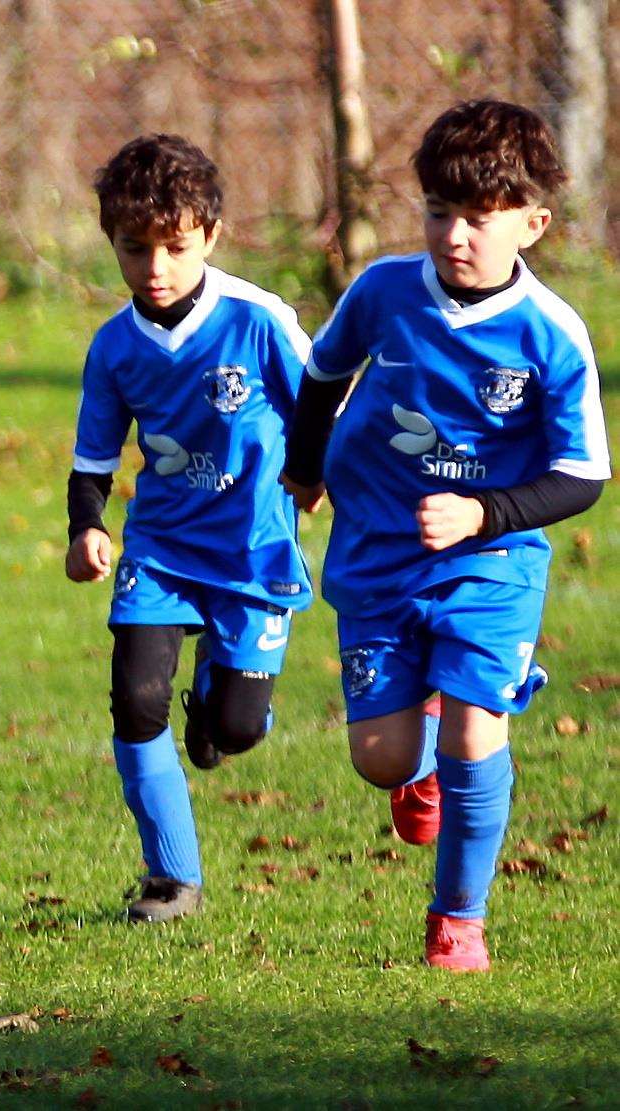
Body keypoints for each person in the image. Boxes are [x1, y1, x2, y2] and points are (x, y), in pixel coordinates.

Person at [284, 100, 607, 971]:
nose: (453, 235)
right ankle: (426, 729)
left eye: (477, 218)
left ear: (531, 224)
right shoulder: (383, 292)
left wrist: (485, 512)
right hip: (377, 553)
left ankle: (457, 921)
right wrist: (304, 469)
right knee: (383, 761)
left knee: (476, 730)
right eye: (437, 211)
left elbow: (583, 475)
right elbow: (320, 378)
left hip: (489, 561)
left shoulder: (550, 334)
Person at [66, 134, 313, 923]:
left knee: (235, 731)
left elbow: (324, 405)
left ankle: (217, 697)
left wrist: (317, 473)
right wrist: (86, 527)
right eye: (134, 249)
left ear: (209, 235)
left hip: (252, 547)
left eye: (174, 247)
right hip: (162, 548)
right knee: (136, 700)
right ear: (112, 243)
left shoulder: (258, 320)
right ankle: (171, 877)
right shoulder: (113, 347)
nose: (155, 268)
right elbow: (92, 456)